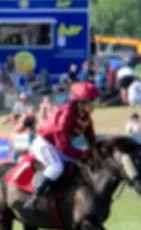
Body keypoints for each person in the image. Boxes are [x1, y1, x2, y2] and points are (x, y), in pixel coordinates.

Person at [24, 82, 99, 210]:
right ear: (79, 103)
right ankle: (35, 198)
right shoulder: (66, 116)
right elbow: (63, 147)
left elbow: (91, 137)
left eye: (92, 101)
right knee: (56, 167)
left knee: (80, 164)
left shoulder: (85, 116)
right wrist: (82, 154)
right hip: (45, 144)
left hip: (58, 146)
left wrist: (95, 150)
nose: (92, 105)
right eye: (89, 102)